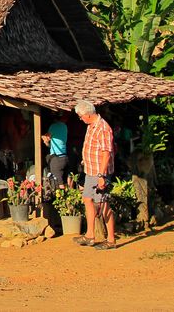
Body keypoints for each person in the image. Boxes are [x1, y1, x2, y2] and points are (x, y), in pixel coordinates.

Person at [72, 100, 117, 250]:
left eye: (80, 116)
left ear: (87, 114)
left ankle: (111, 239)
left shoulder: (103, 128)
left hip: (99, 172)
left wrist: (101, 176)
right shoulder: (91, 126)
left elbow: (106, 154)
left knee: (104, 205)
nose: (80, 119)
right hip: (90, 171)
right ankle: (90, 235)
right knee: (87, 199)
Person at [41, 113, 68, 191]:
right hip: (64, 156)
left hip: (56, 158)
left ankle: (61, 200)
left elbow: (47, 138)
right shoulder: (64, 126)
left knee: (58, 182)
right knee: (64, 180)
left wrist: (43, 138)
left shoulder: (53, 126)